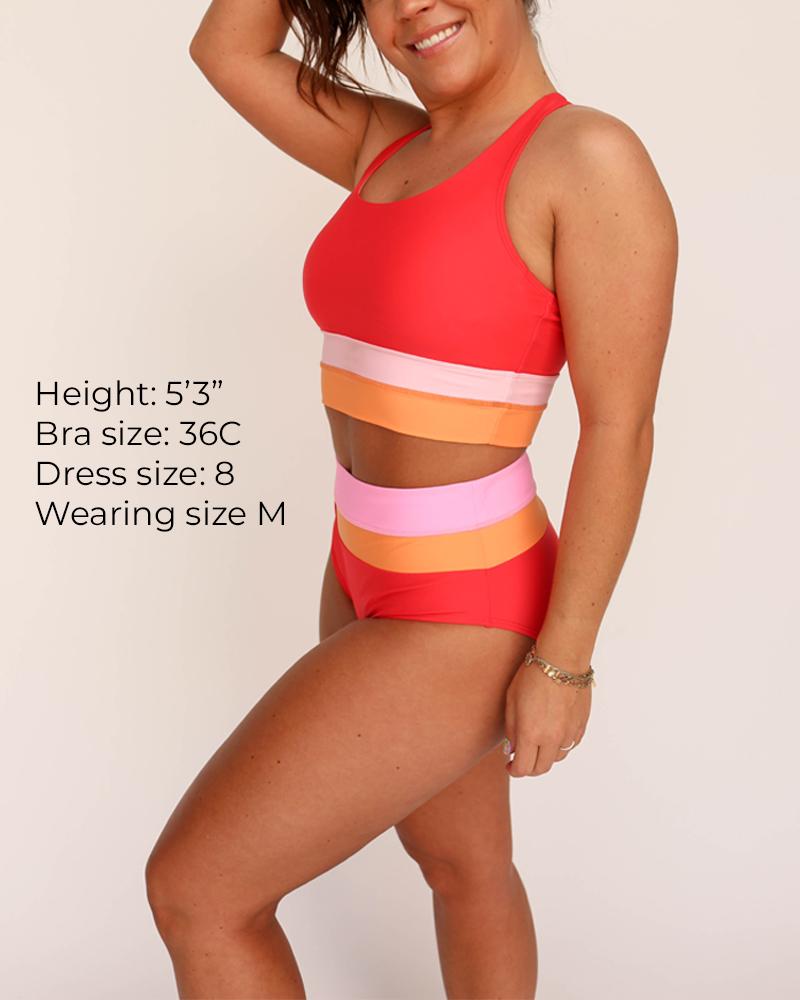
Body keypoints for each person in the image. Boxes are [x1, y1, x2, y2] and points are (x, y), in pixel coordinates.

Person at [145, 1, 678, 996]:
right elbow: (227, 47)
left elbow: (621, 429)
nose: (413, 6)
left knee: (197, 891)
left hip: (463, 602)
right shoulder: (382, 145)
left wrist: (563, 660)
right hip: (358, 564)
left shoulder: (584, 156)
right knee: (462, 867)